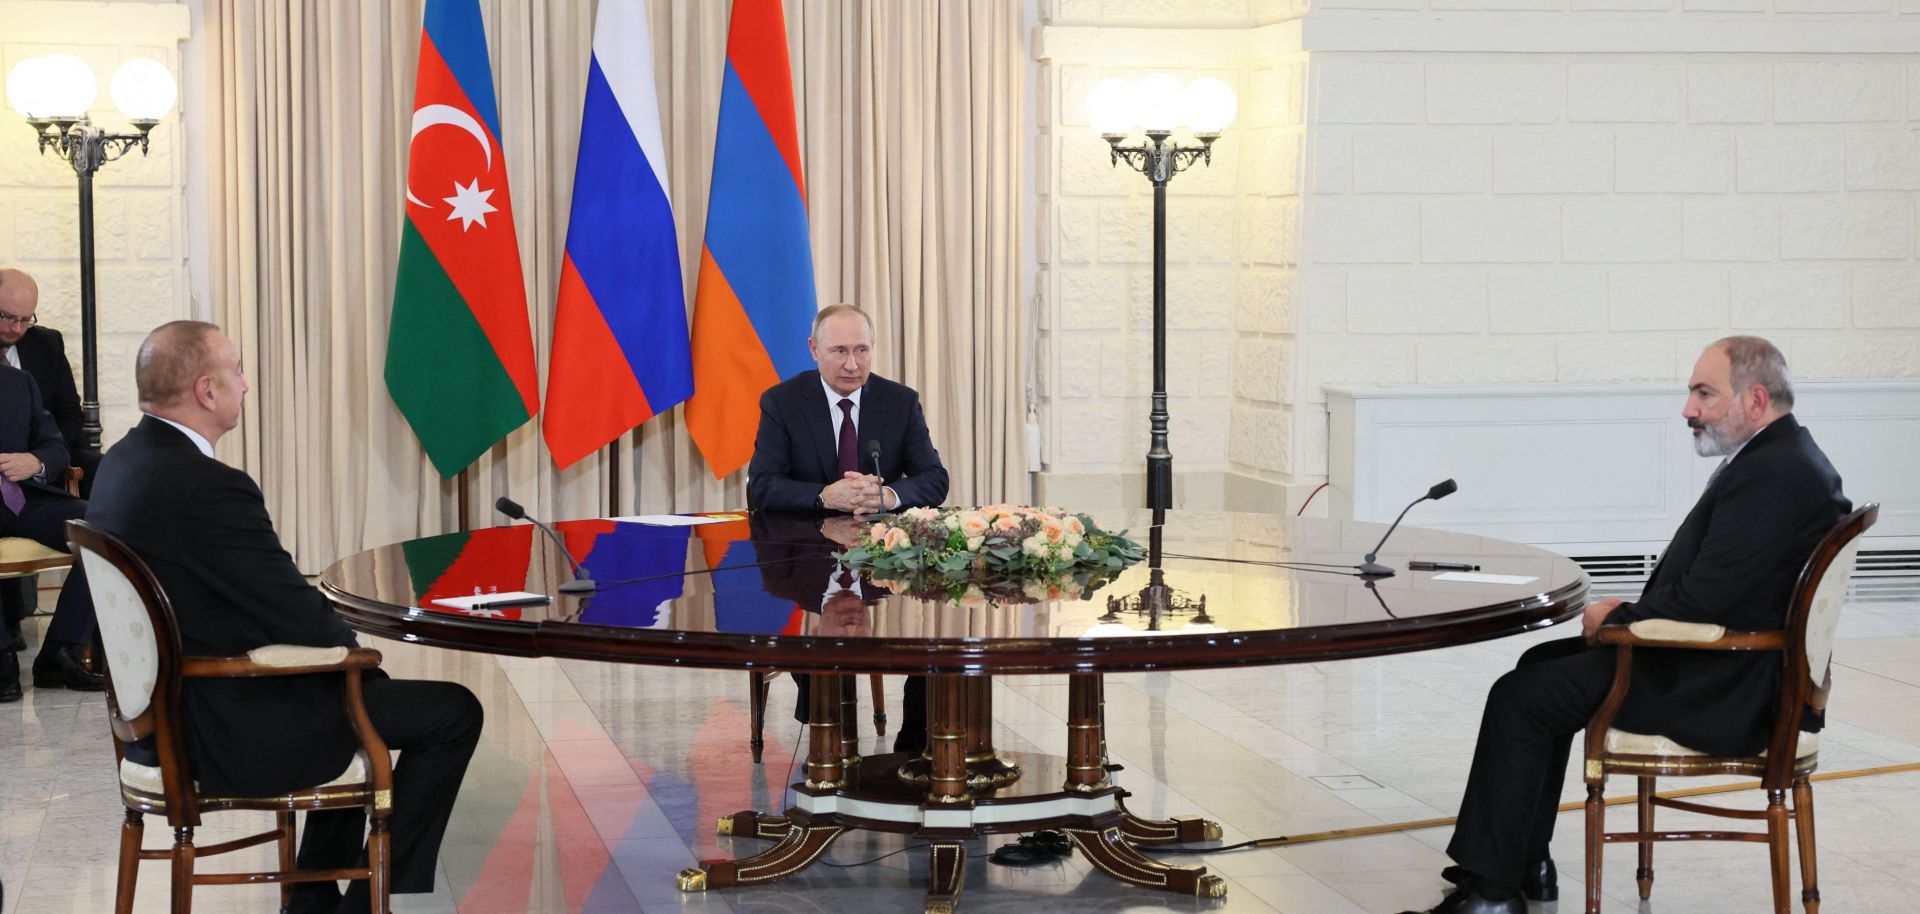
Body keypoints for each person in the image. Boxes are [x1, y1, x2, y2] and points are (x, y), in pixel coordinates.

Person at [1404, 337, 1850, 914]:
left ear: (1755, 399)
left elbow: (1706, 601)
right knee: (1536, 668)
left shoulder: (1775, 474)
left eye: (1703, 394)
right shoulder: (1785, 458)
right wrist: (1625, 616)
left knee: (1521, 698)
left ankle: (1493, 895)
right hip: (1725, 666)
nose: (1688, 409)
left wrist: (1616, 619)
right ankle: (1523, 862)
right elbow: (1720, 588)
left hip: (1721, 686)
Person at [86, 321, 482, 914]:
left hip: (158, 720)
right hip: (223, 726)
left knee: (350, 688)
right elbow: (295, 613)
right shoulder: (209, 487)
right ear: (206, 390)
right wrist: (357, 660)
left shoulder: (122, 461)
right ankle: (364, 901)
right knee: (450, 711)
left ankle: (314, 900)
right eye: (236, 372)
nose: (245, 384)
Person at [746, 303, 948, 513]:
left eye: (861, 350)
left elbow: (934, 479)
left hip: (879, 539)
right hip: (805, 538)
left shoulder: (900, 402)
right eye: (839, 351)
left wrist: (887, 496)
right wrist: (823, 496)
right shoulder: (782, 402)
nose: (852, 365)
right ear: (814, 349)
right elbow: (761, 486)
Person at [752, 511, 924, 752]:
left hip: (870, 520)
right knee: (817, 653)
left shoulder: (894, 579)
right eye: (858, 639)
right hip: (810, 516)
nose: (853, 628)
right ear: (813, 630)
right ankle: (825, 742)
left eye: (849, 639)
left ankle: (912, 745)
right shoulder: (789, 579)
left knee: (933, 657)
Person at [0, 363, 100, 702]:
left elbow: (56, 448)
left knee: (100, 528)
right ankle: (2, 657)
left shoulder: (18, 381)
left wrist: (35, 462)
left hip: (23, 498)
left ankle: (59, 653)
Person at [0, 269, 93, 490]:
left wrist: (42, 458)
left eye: (26, 319)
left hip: (46, 453)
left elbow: (70, 414)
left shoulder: (46, 343)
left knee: (114, 473)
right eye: (9, 317)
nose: (17, 328)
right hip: (4, 464)